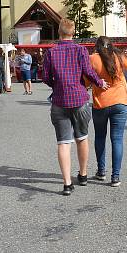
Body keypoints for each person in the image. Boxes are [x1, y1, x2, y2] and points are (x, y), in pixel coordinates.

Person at [42, 18, 108, 196]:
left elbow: (45, 76)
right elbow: (88, 71)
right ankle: (84, 174)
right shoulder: (80, 50)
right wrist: (99, 82)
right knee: (82, 138)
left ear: (59, 32)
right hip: (79, 99)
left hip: (59, 101)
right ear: (73, 32)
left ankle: (67, 183)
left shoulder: (51, 52)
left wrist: (55, 86)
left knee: (63, 143)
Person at [89, 37, 127, 187]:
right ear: (111, 45)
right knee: (117, 139)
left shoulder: (92, 58)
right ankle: (115, 176)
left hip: (100, 103)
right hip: (120, 102)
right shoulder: (118, 56)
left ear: (96, 47)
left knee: (100, 137)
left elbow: (85, 81)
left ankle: (101, 171)